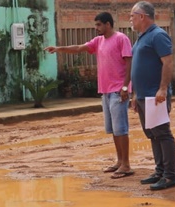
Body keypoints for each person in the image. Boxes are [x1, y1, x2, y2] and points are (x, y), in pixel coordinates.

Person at [46, 12, 134, 178]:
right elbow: (79, 48)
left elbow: (129, 63)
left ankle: (126, 164)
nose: (96, 28)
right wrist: (59, 49)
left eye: (99, 25)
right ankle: (119, 161)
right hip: (105, 91)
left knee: (121, 129)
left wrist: (125, 88)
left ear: (108, 24)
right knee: (114, 129)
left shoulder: (121, 38)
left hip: (117, 90)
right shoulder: (98, 41)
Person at [128, 1, 175, 191]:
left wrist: (163, 89)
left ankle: (170, 176)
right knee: (152, 134)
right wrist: (134, 94)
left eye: (132, 15)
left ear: (142, 16)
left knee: (163, 134)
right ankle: (159, 171)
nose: (130, 19)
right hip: (143, 96)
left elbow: (167, 63)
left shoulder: (158, 35)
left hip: (155, 95)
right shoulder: (141, 37)